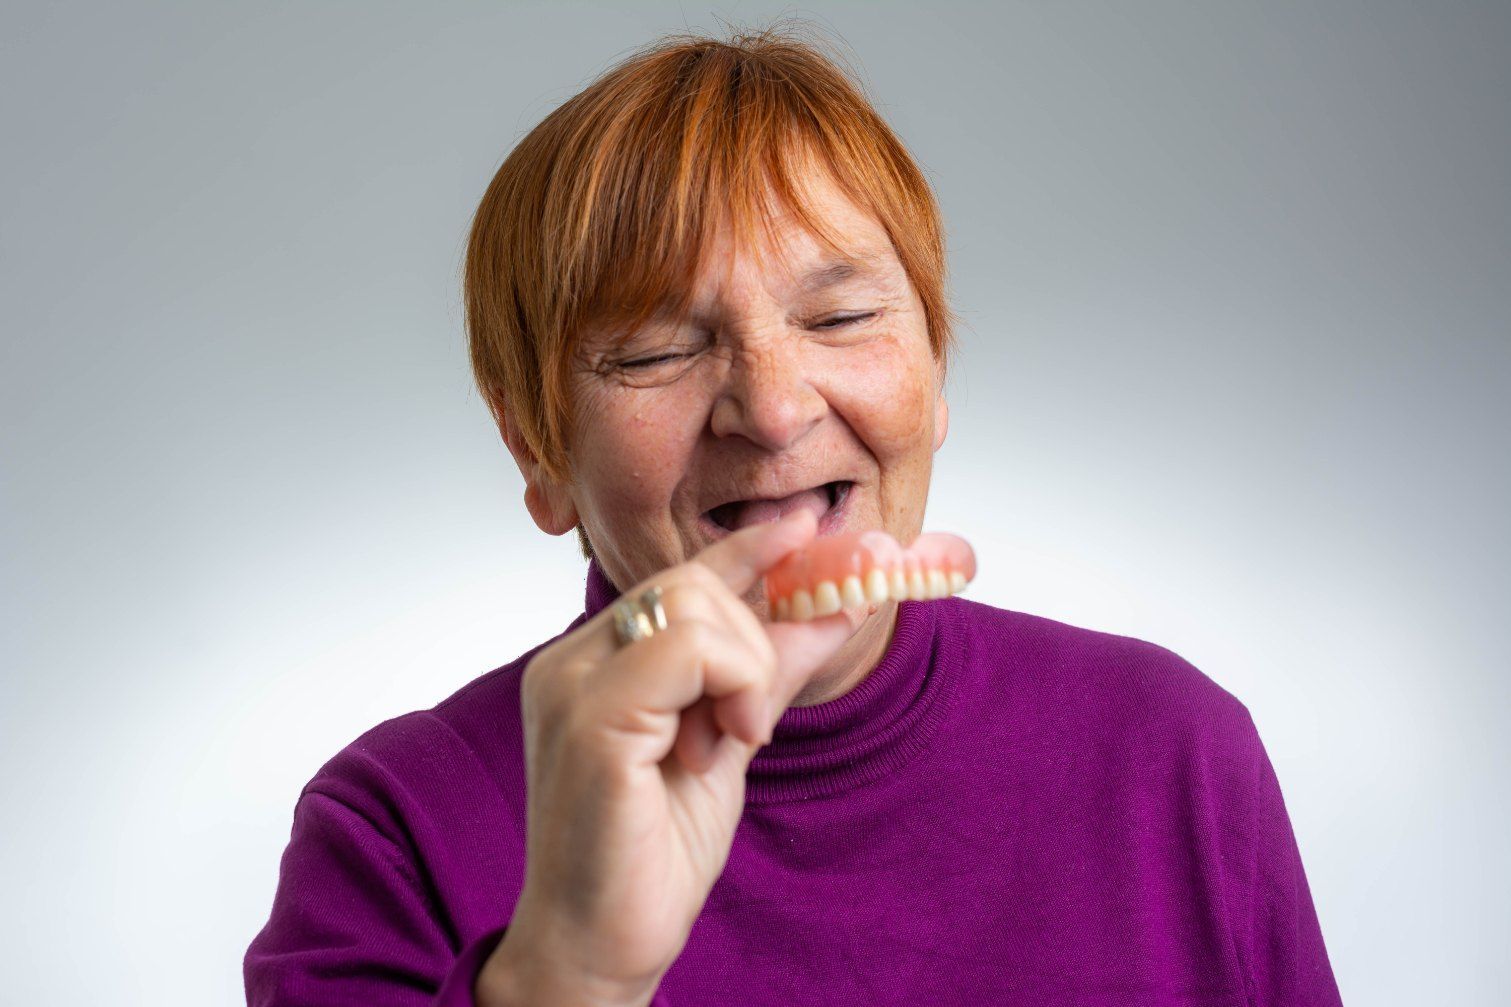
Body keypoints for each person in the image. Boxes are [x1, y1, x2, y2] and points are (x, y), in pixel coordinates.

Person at [244, 25, 1344, 1007]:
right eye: (655, 351)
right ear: (534, 449)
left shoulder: (1170, 749)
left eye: (842, 313)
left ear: (933, 373)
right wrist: (571, 972)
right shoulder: (392, 831)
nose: (772, 410)